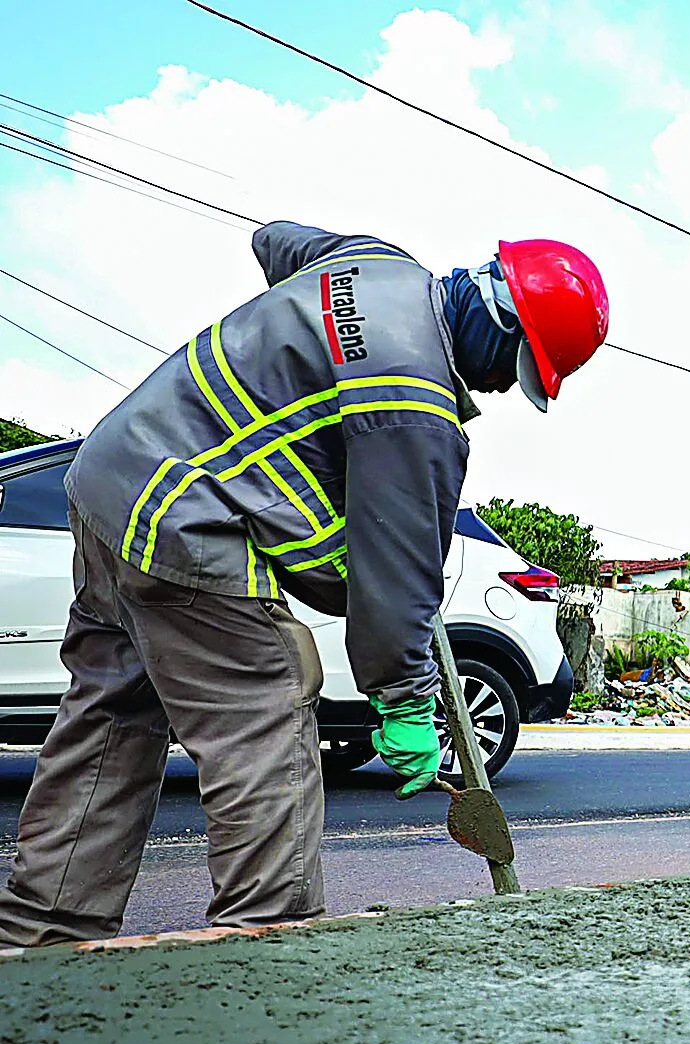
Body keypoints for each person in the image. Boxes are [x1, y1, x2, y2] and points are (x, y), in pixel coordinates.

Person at [0, 222, 609, 947]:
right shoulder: (415, 407)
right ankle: (271, 941)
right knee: (268, 698)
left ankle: (42, 932)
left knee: (113, 715)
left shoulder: (371, 262)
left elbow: (274, 241)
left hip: (109, 480)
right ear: (498, 320)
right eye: (517, 367)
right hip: (184, 516)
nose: (504, 385)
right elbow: (397, 578)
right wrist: (407, 702)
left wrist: (315, 354)